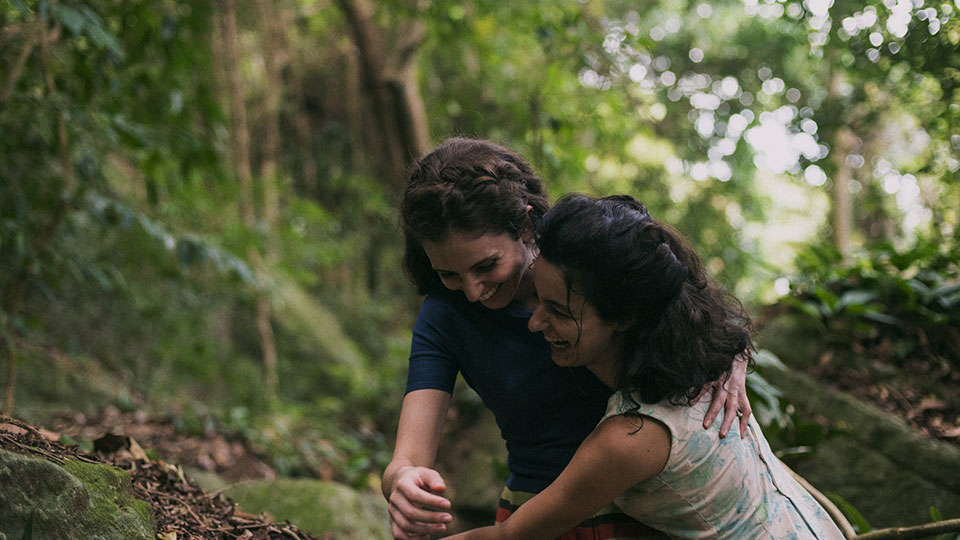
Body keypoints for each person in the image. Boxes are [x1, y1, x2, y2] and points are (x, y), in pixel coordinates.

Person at [383, 138, 752, 540]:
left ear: (525, 225)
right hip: (533, 513)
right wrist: (403, 481)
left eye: (487, 265)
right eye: (449, 274)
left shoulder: (588, 263)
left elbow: (685, 308)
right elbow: (408, 456)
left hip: (641, 508)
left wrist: (734, 362)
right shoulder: (445, 314)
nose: (473, 291)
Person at [443, 194, 845, 540]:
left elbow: (513, 535)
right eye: (538, 300)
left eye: (558, 311)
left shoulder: (631, 436)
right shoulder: (699, 360)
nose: (534, 322)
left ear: (623, 316)